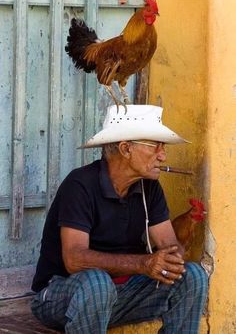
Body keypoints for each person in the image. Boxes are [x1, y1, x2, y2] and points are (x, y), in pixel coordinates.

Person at [31, 104, 208, 334]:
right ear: (125, 149)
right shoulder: (80, 184)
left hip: (120, 296)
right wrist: (145, 263)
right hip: (61, 296)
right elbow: (74, 259)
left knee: (193, 276)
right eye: (155, 146)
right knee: (97, 284)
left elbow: (170, 246)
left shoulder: (149, 188)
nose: (163, 155)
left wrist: (171, 258)